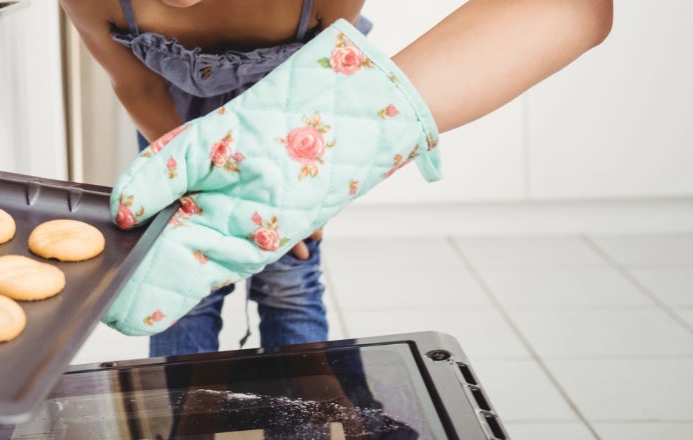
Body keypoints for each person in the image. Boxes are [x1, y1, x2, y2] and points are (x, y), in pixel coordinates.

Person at [61, 0, 612, 349]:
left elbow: (577, 9)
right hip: (175, 130)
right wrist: (189, 176)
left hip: (307, 113)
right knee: (180, 291)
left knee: (290, 282)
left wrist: (314, 178)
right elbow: (137, 86)